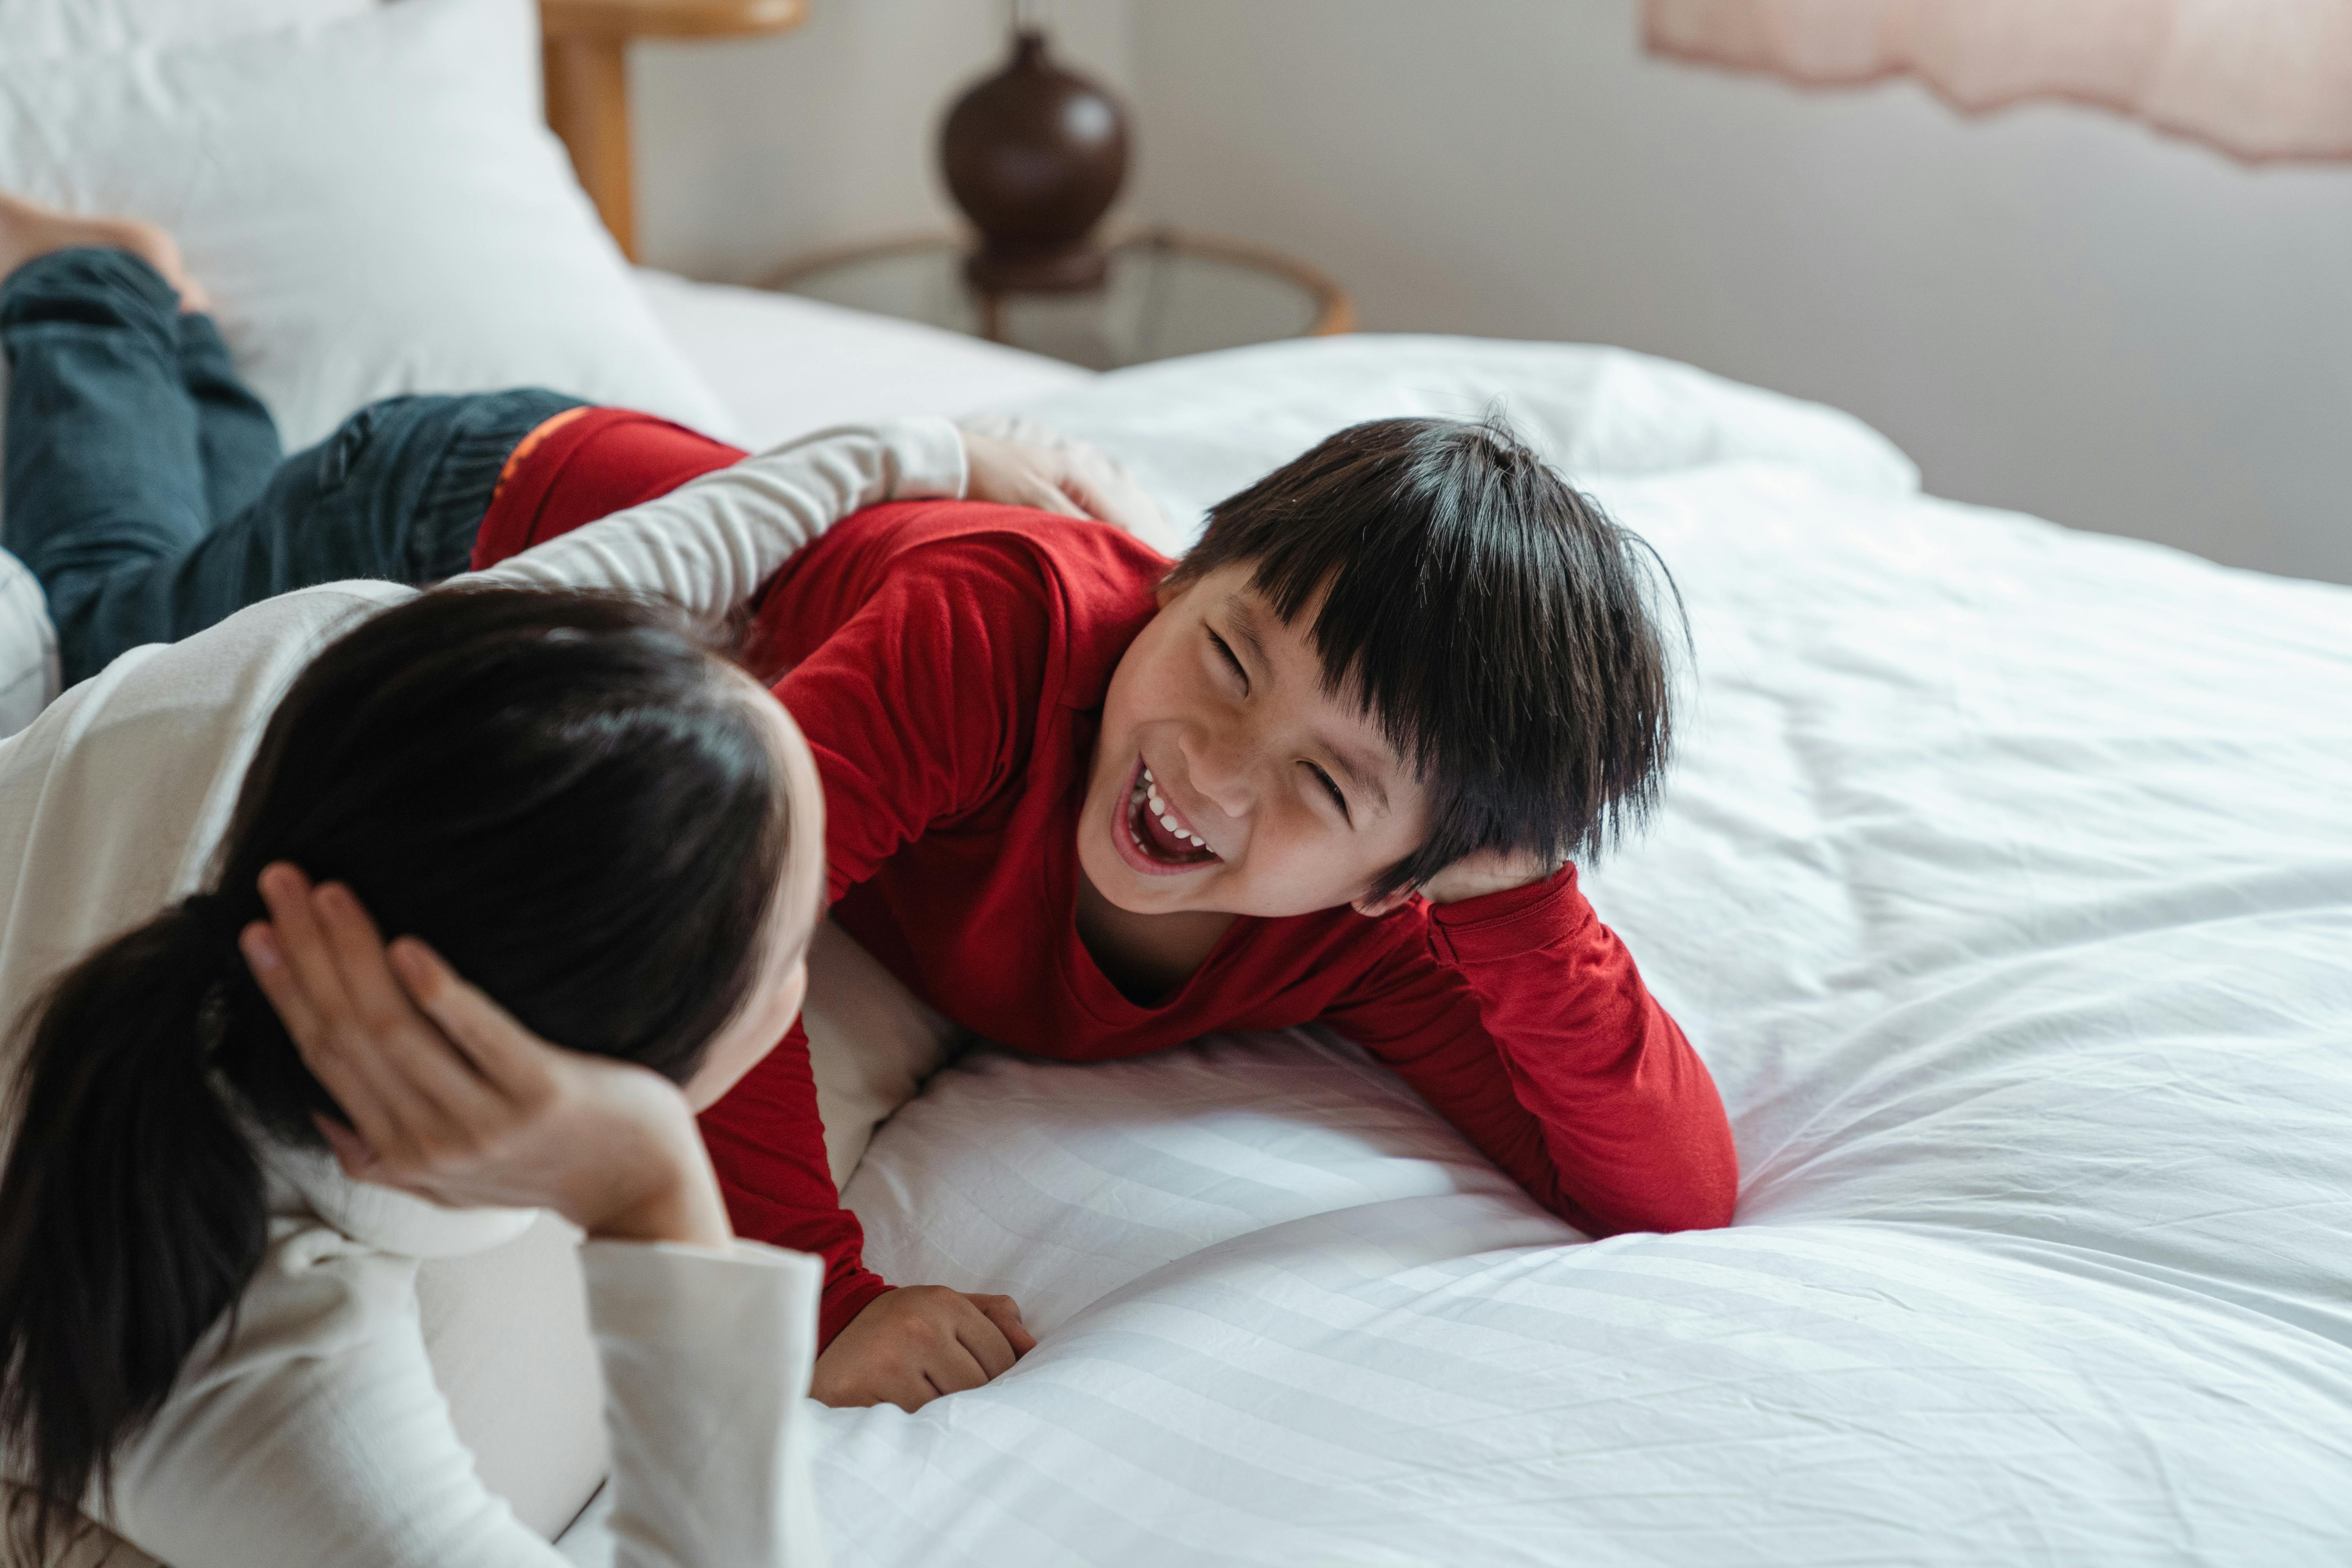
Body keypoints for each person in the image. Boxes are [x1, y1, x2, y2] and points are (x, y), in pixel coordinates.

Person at [0, 200, 1143, 1566]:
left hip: (204, 657)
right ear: (586, 1074)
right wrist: (655, 1198)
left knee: (146, 590)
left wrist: (938, 452)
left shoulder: (366, 680)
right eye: (792, 959)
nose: (816, 967)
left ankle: (150, 319)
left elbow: (688, 541)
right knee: (104, 590)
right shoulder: (226, 1362)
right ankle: (86, 288)